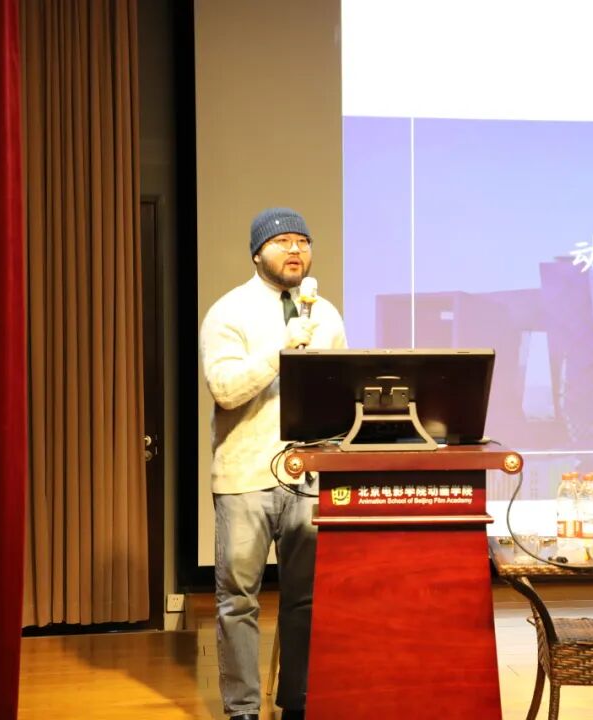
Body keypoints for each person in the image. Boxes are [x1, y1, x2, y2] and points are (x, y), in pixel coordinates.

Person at [200, 207, 347, 720]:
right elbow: (224, 389)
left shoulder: (326, 315)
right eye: (283, 241)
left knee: (306, 599)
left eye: (303, 241)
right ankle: (242, 709)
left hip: (308, 476)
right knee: (237, 600)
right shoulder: (228, 312)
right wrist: (280, 350)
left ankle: (298, 702)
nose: (295, 250)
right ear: (257, 252)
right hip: (245, 476)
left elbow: (341, 393)